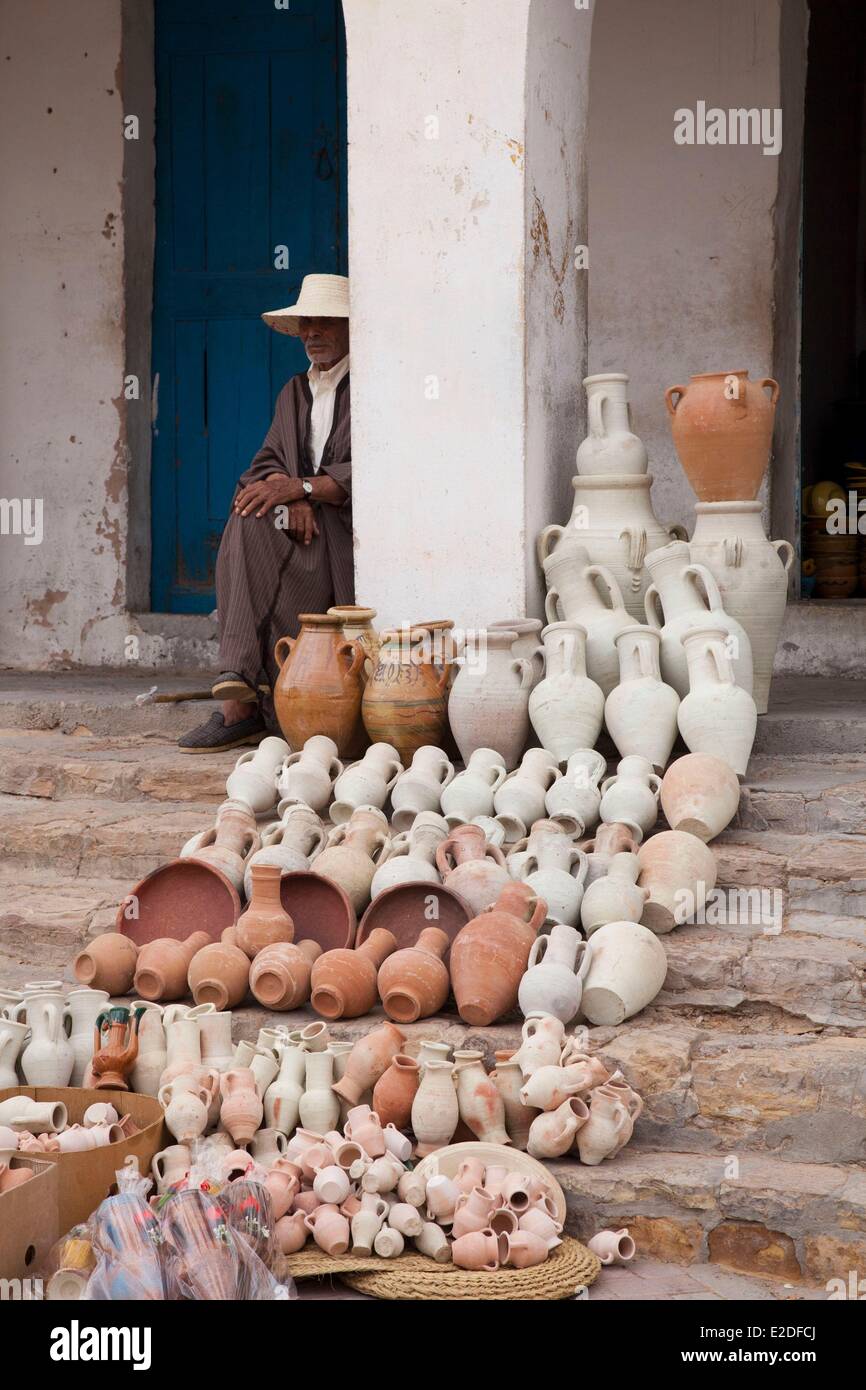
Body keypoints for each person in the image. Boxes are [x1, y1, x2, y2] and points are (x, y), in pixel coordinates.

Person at [179, 274, 352, 752]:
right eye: (305, 323)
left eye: (325, 322)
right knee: (250, 509)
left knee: (258, 515)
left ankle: (242, 703)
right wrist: (291, 496)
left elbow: (373, 469)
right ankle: (236, 687)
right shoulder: (294, 391)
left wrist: (303, 488)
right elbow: (269, 463)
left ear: (351, 328)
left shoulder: (372, 389)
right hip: (301, 527)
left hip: (340, 539)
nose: (312, 332)